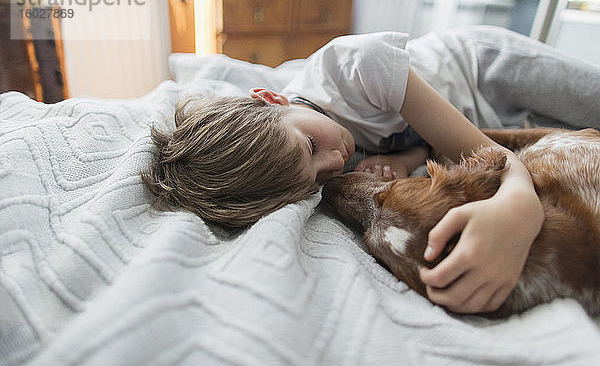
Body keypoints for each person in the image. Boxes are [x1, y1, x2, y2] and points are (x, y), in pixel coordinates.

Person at [142, 25, 600, 314]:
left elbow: (495, 159)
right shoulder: (329, 163)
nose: (335, 163)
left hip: (486, 72)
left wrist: (518, 214)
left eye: (310, 145)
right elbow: (429, 145)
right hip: (496, 124)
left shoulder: (358, 67)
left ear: (271, 98)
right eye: (319, 178)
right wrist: (404, 162)